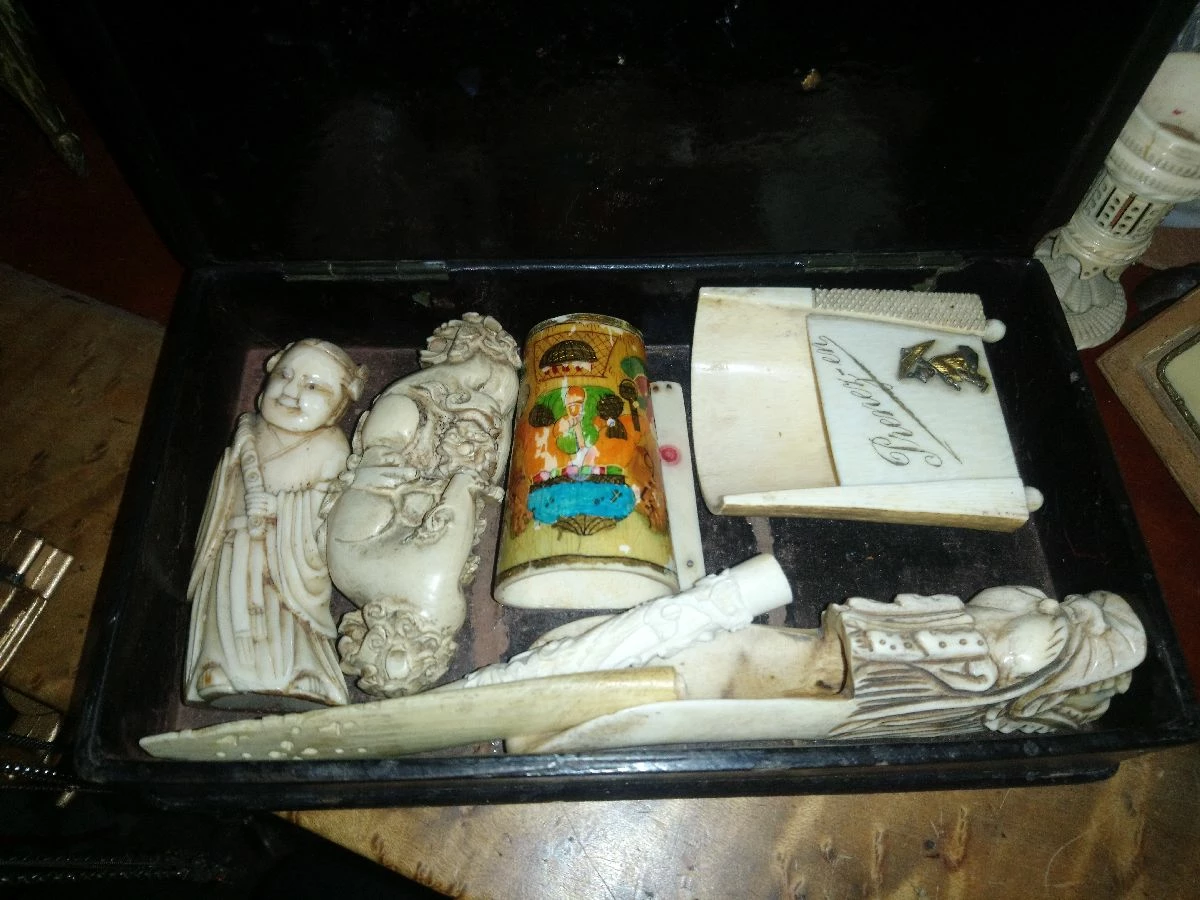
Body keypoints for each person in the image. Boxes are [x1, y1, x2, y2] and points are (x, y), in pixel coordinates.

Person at [184, 339, 366, 709]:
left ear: (337, 406)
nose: (291, 391)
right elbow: (223, 492)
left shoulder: (331, 446)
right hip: (235, 543)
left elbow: (332, 508)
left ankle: (302, 672)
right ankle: (219, 667)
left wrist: (283, 508)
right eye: (285, 375)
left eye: (313, 386)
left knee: (287, 617)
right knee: (229, 604)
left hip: (289, 557)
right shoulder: (248, 434)